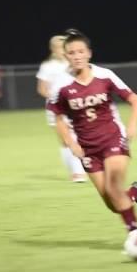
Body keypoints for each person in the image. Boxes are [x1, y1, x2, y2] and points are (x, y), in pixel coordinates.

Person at [46, 29, 137, 237]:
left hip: (113, 139)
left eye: (80, 52)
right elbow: (57, 117)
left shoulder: (105, 75)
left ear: (89, 53)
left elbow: (135, 100)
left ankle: (136, 236)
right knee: (113, 204)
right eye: (72, 53)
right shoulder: (61, 85)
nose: (77, 56)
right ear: (66, 56)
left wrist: (132, 125)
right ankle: (134, 192)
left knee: (113, 188)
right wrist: (70, 143)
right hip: (87, 148)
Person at [36, 35, 87, 183]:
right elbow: (42, 89)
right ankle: (75, 171)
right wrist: (56, 100)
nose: (63, 50)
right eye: (59, 47)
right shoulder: (47, 66)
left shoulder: (72, 65)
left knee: (77, 136)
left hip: (75, 105)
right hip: (56, 108)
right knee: (65, 140)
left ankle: (79, 171)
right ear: (53, 49)